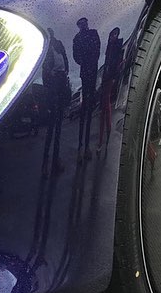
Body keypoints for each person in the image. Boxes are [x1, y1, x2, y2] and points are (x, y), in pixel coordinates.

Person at [42, 28, 69, 176]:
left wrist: (65, 73)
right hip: (52, 84)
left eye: (51, 33)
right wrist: (49, 73)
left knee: (58, 128)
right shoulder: (45, 47)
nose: (51, 35)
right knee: (51, 128)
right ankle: (45, 163)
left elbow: (64, 59)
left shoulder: (58, 45)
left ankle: (55, 161)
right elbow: (43, 66)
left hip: (60, 80)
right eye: (48, 33)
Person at [73, 17, 101, 160]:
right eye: (81, 24)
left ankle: (87, 145)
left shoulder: (93, 33)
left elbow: (97, 50)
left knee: (90, 106)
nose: (83, 25)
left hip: (92, 70)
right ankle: (81, 146)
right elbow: (75, 56)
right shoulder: (77, 38)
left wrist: (90, 60)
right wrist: (85, 60)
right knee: (85, 107)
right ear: (79, 26)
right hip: (85, 72)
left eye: (85, 23)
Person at [98, 27, 124, 152]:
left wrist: (114, 77)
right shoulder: (109, 47)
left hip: (110, 77)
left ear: (117, 35)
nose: (112, 36)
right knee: (104, 106)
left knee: (106, 105)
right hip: (105, 77)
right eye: (111, 34)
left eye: (115, 34)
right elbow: (107, 62)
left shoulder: (118, 46)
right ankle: (104, 133)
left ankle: (106, 132)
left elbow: (118, 63)